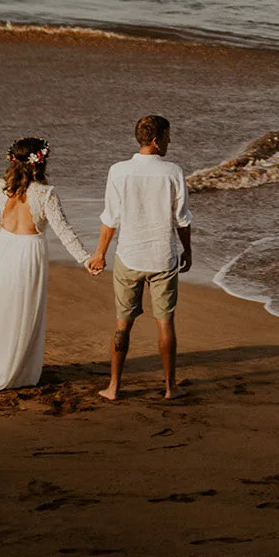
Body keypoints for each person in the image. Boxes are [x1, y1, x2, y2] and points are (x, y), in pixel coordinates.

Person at [0, 135, 90, 395]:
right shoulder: (46, 194)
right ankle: (19, 371)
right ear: (40, 162)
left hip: (3, 248)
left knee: (1, 310)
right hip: (28, 253)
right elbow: (64, 231)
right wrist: (85, 258)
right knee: (24, 312)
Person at [88, 113, 193, 401]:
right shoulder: (173, 171)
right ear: (157, 141)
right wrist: (188, 250)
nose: (170, 142)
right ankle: (170, 387)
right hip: (162, 258)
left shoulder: (118, 171)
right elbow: (181, 219)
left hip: (129, 257)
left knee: (123, 324)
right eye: (168, 137)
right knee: (165, 322)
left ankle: (113, 387)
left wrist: (100, 254)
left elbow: (111, 218)